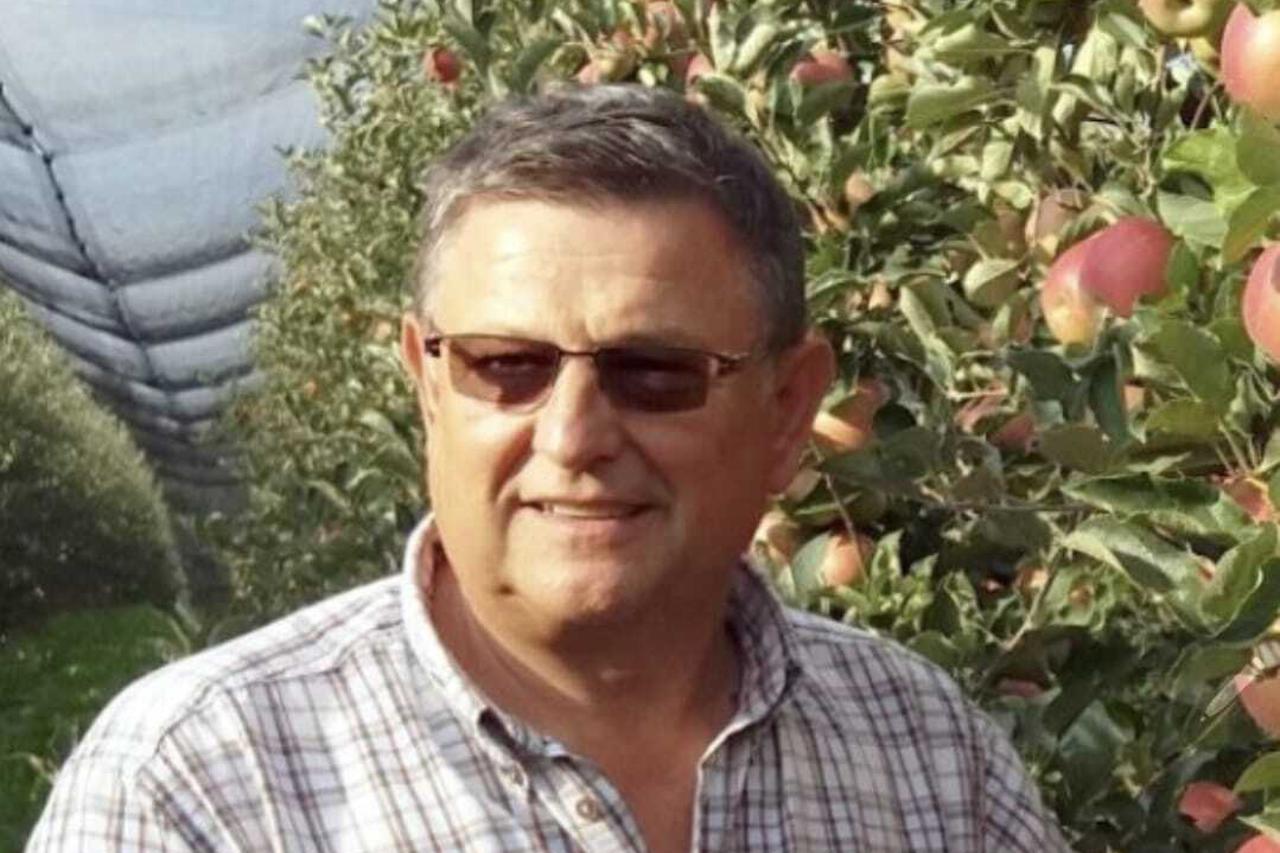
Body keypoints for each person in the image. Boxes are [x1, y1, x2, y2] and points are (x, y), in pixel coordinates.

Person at [28, 84, 1067, 852]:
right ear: (428, 383)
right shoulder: (202, 788)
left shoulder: (926, 756)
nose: (572, 435)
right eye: (505, 365)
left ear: (787, 409)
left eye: (653, 371)